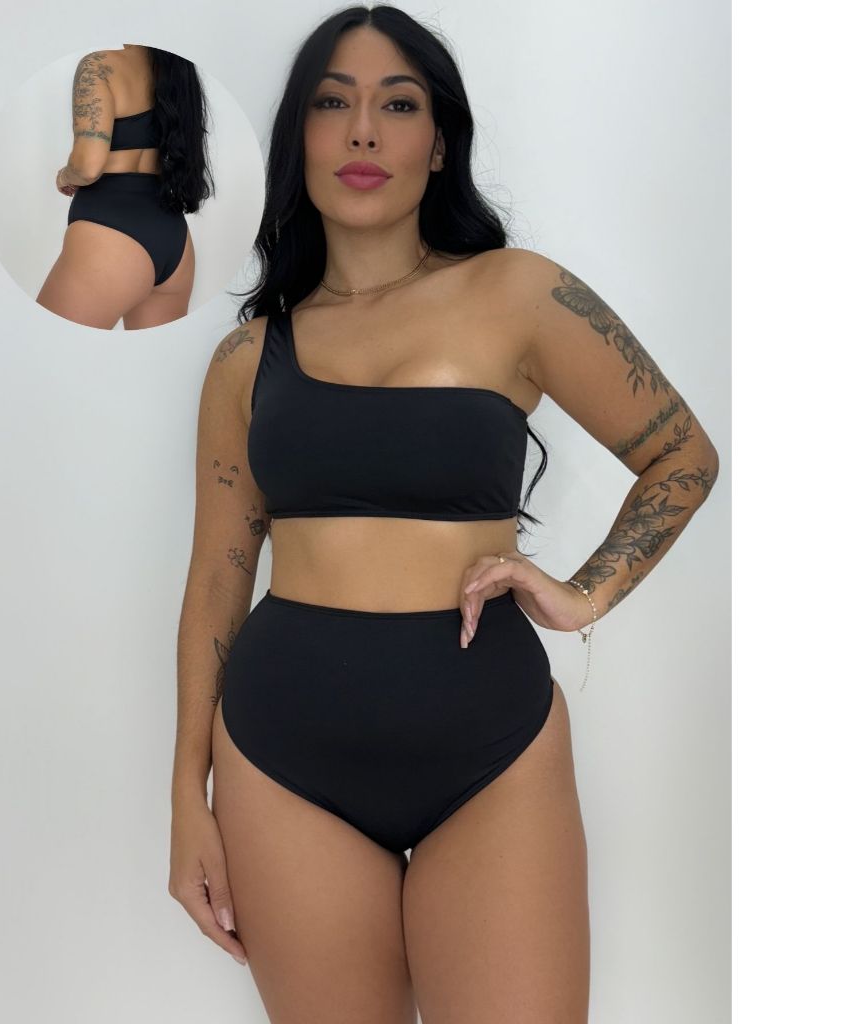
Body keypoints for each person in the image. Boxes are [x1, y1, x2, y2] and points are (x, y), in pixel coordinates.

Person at [169, 6, 719, 1022]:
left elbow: (680, 453)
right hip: (283, 758)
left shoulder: (521, 294)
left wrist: (584, 592)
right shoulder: (247, 359)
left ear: (438, 143)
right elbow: (215, 579)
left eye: (398, 105)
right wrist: (184, 802)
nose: (363, 131)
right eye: (332, 103)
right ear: (299, 139)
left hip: (490, 748)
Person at [36, 44, 214, 330]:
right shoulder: (177, 71)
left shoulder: (99, 65)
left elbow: (88, 166)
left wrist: (64, 176)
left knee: (43, 347)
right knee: (151, 357)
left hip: (112, 233)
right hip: (174, 239)